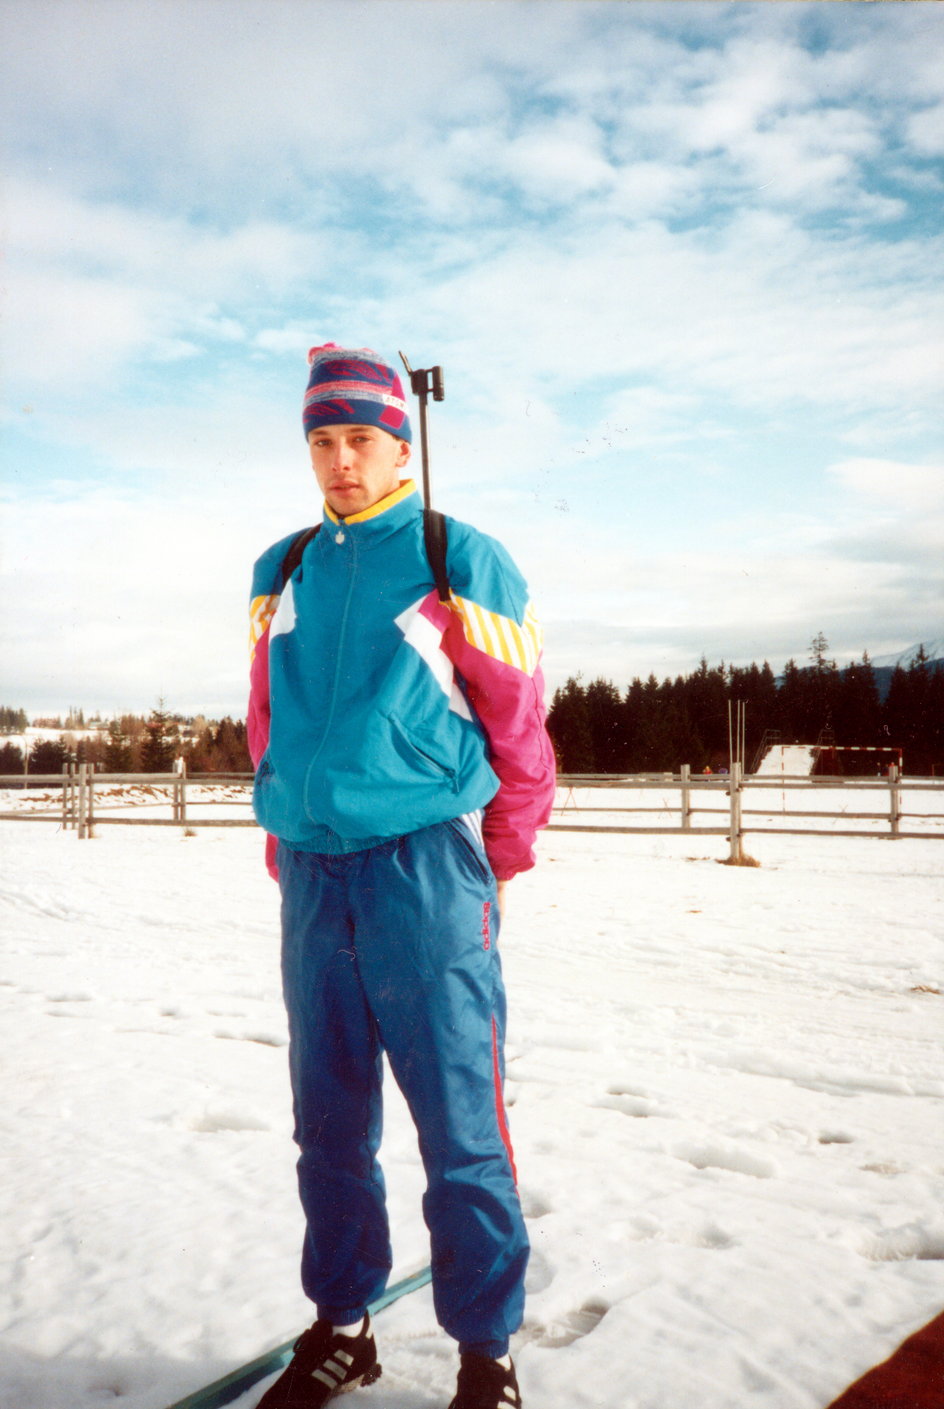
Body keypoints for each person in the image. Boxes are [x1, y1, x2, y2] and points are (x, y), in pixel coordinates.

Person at [247, 344, 556, 1409]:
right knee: (327, 1121)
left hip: (425, 869)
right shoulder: (280, 567)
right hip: (314, 878)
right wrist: (282, 831)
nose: (338, 462)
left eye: (358, 441)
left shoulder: (458, 556)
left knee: (460, 1122)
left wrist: (504, 851)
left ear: (399, 444)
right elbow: (266, 712)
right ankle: (343, 1323)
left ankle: (487, 1351)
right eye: (321, 442)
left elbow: (519, 722)